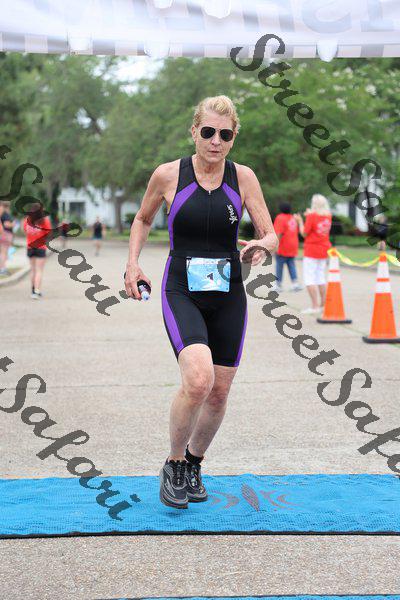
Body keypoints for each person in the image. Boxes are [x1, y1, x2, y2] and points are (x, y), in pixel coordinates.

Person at [124, 95, 278, 509]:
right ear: (194, 131)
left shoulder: (243, 177)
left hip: (228, 293)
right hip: (182, 289)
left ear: (233, 138)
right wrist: (133, 264)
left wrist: (261, 246)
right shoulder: (167, 175)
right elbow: (142, 219)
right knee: (198, 380)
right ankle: (174, 464)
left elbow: (270, 233)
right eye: (208, 132)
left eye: (225, 135)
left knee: (219, 392)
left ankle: (193, 463)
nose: (215, 141)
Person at [295, 194, 332, 314]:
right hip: (324, 249)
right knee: (320, 277)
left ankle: (314, 306)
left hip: (312, 249)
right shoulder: (328, 216)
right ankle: (322, 305)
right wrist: (309, 215)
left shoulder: (311, 216)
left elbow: (304, 233)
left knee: (310, 278)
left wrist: (300, 221)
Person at [23, 203, 53, 299]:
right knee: (39, 270)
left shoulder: (27, 220)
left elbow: (25, 230)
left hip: (30, 247)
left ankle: (32, 290)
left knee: (33, 270)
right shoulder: (44, 221)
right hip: (40, 247)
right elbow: (49, 233)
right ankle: (37, 291)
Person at [273, 202, 301, 292]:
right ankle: (295, 283)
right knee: (291, 265)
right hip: (293, 244)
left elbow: (279, 233)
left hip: (283, 245)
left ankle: (278, 284)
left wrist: (275, 245)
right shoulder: (293, 218)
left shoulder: (280, 218)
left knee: (279, 265)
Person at [0, 201, 16, 276]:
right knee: (4, 253)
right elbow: (6, 224)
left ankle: (3, 268)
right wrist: (13, 224)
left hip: (4, 234)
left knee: (4, 253)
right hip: (6, 234)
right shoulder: (5, 214)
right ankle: (2, 269)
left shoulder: (3, 214)